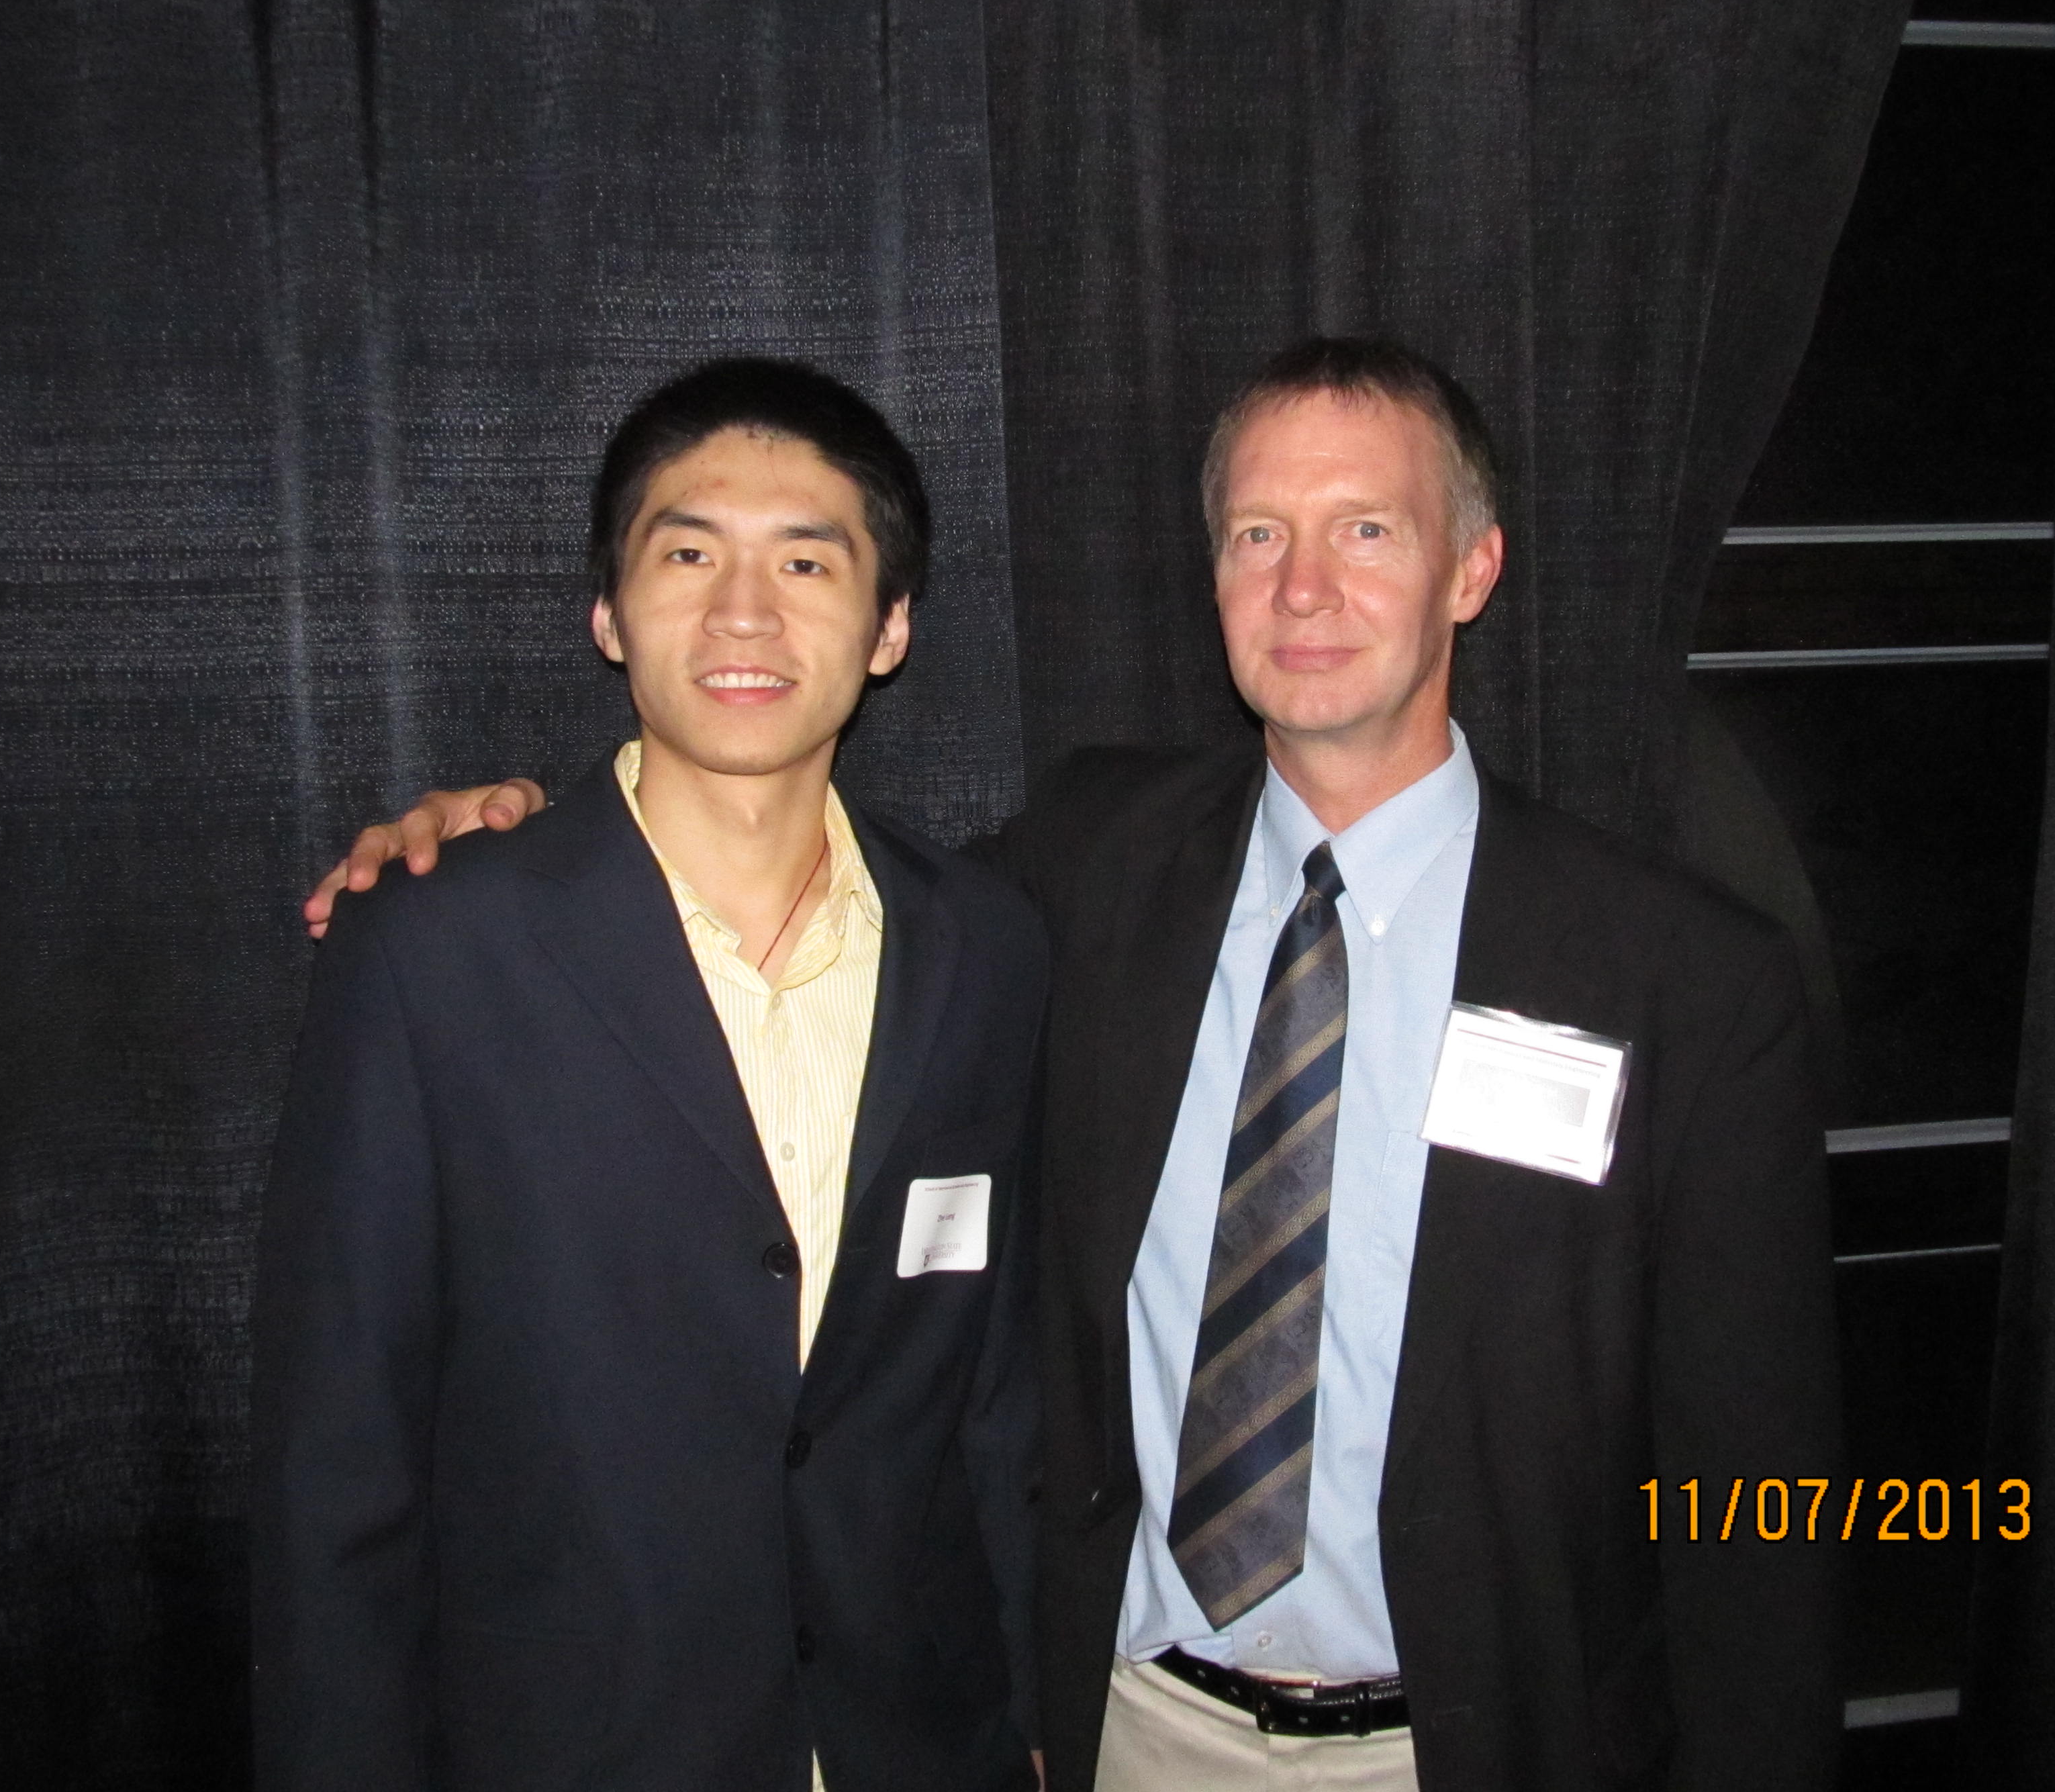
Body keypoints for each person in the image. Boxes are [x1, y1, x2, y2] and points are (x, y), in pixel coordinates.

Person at [310, 338, 1842, 1791]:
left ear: (1472, 569)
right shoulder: (1078, 879)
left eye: (1366, 530)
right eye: (1257, 535)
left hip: (1486, 1747)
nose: (1303, 586)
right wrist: (505, 829)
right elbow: (740, 876)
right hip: (1129, 1732)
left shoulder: (1685, 986)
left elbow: (1759, 1494)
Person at [255, 359, 1046, 1792]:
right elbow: (339, 1461)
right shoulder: (438, 949)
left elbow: (992, 1396)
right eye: (688, 555)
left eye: (806, 561)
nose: (744, 611)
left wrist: (1029, 1718)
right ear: (609, 614)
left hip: (919, 1744)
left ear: (890, 626)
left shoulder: (984, 947)